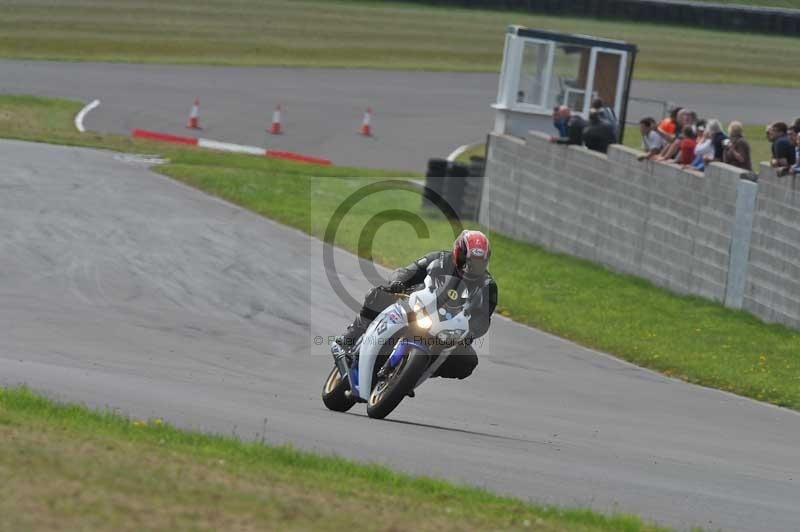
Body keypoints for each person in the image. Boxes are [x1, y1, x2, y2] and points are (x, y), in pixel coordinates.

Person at [335, 230, 498, 380]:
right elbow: (409, 271)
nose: (470, 267)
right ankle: (351, 337)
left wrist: (469, 334)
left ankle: (414, 373)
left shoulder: (487, 286)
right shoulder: (440, 258)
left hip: (446, 329)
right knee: (379, 294)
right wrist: (398, 282)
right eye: (467, 261)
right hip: (416, 304)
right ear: (458, 253)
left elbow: (483, 319)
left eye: (478, 264)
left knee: (467, 361)